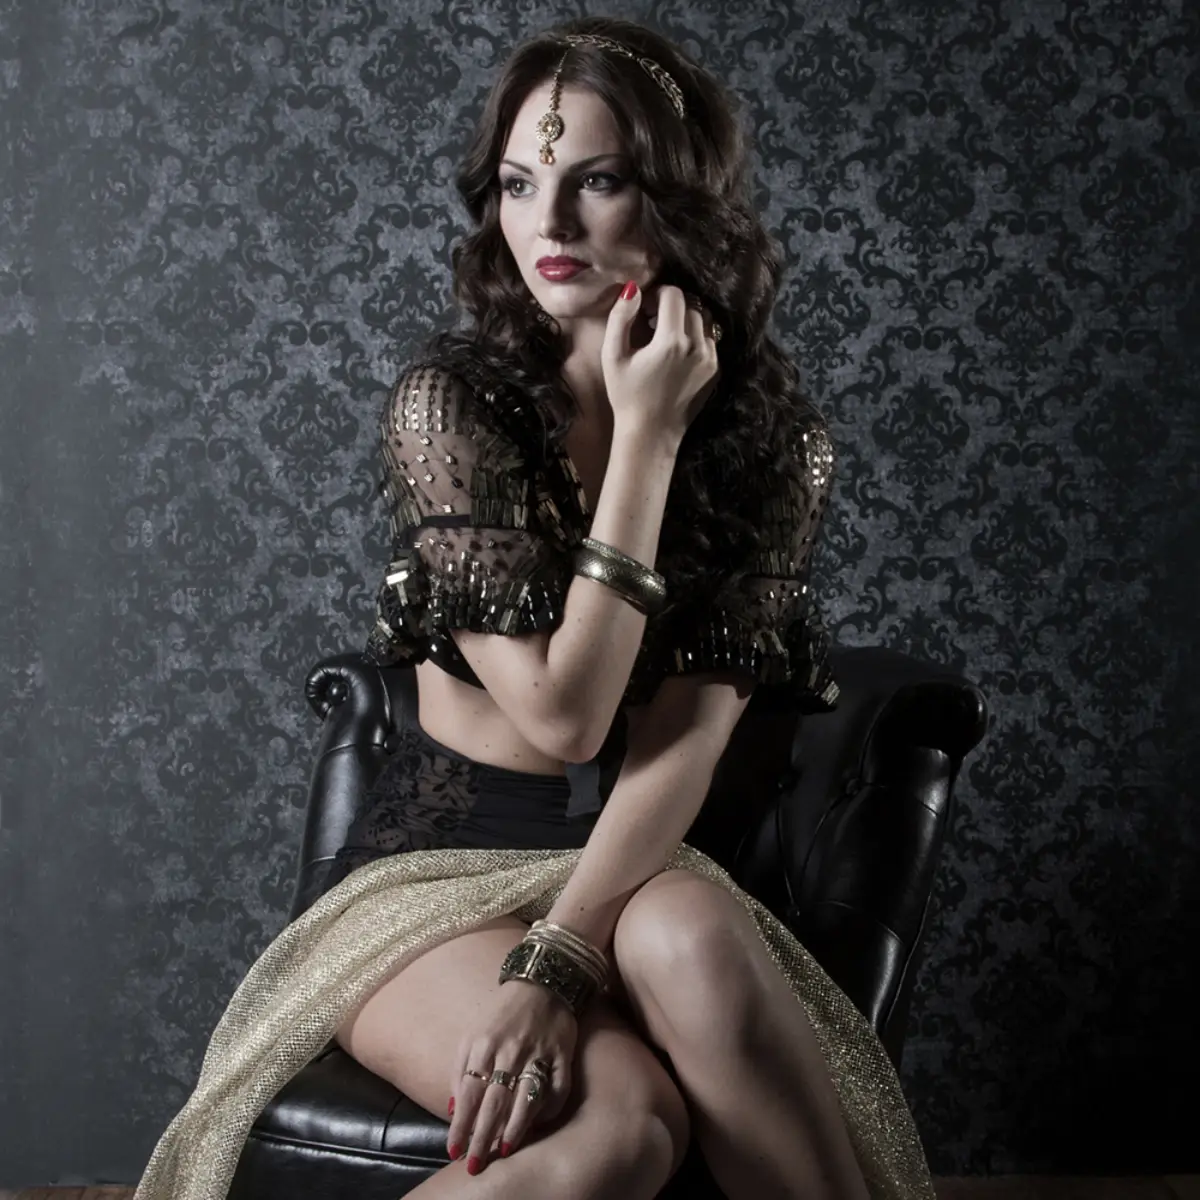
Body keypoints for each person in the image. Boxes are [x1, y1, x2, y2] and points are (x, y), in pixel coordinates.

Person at [134, 17, 936, 1200]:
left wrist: (562, 951)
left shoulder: (776, 443)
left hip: (641, 863)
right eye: (519, 184)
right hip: (430, 882)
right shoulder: (454, 405)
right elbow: (565, 717)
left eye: (596, 182)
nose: (548, 225)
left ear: (676, 198)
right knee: (626, 1127)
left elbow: (683, 744)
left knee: (689, 934)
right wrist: (646, 441)